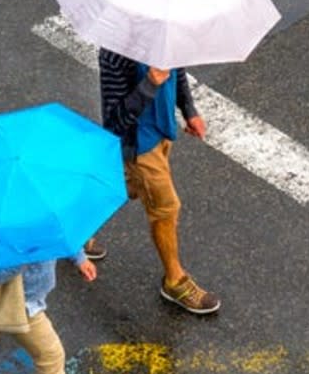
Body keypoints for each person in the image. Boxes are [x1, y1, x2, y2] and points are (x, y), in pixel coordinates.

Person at [85, 48, 220, 314]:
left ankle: (72, 229)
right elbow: (114, 121)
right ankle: (175, 281)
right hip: (140, 147)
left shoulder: (164, 34)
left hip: (162, 135)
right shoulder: (116, 55)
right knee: (166, 209)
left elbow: (177, 70)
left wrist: (188, 109)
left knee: (124, 185)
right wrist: (150, 84)